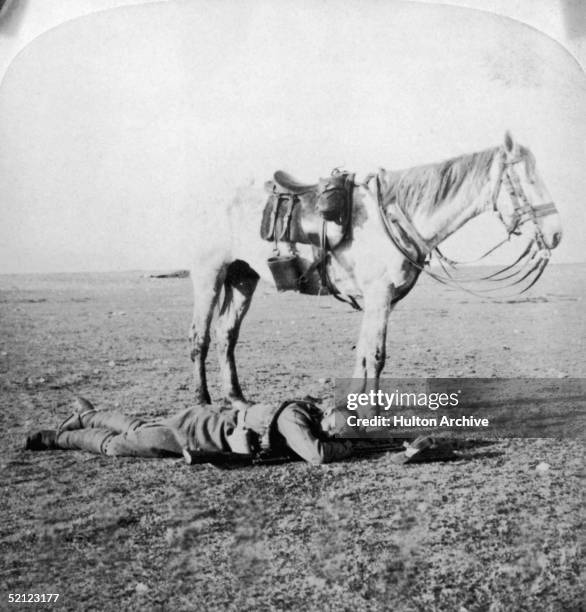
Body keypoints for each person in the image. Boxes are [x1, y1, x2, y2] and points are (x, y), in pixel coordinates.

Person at [24, 396, 359, 466]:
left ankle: (88, 413)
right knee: (116, 446)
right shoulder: (294, 418)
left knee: (141, 428)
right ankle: (54, 438)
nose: (329, 434)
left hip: (203, 421)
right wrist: (349, 450)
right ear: (326, 413)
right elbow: (316, 455)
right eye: (332, 427)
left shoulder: (304, 414)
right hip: (199, 433)